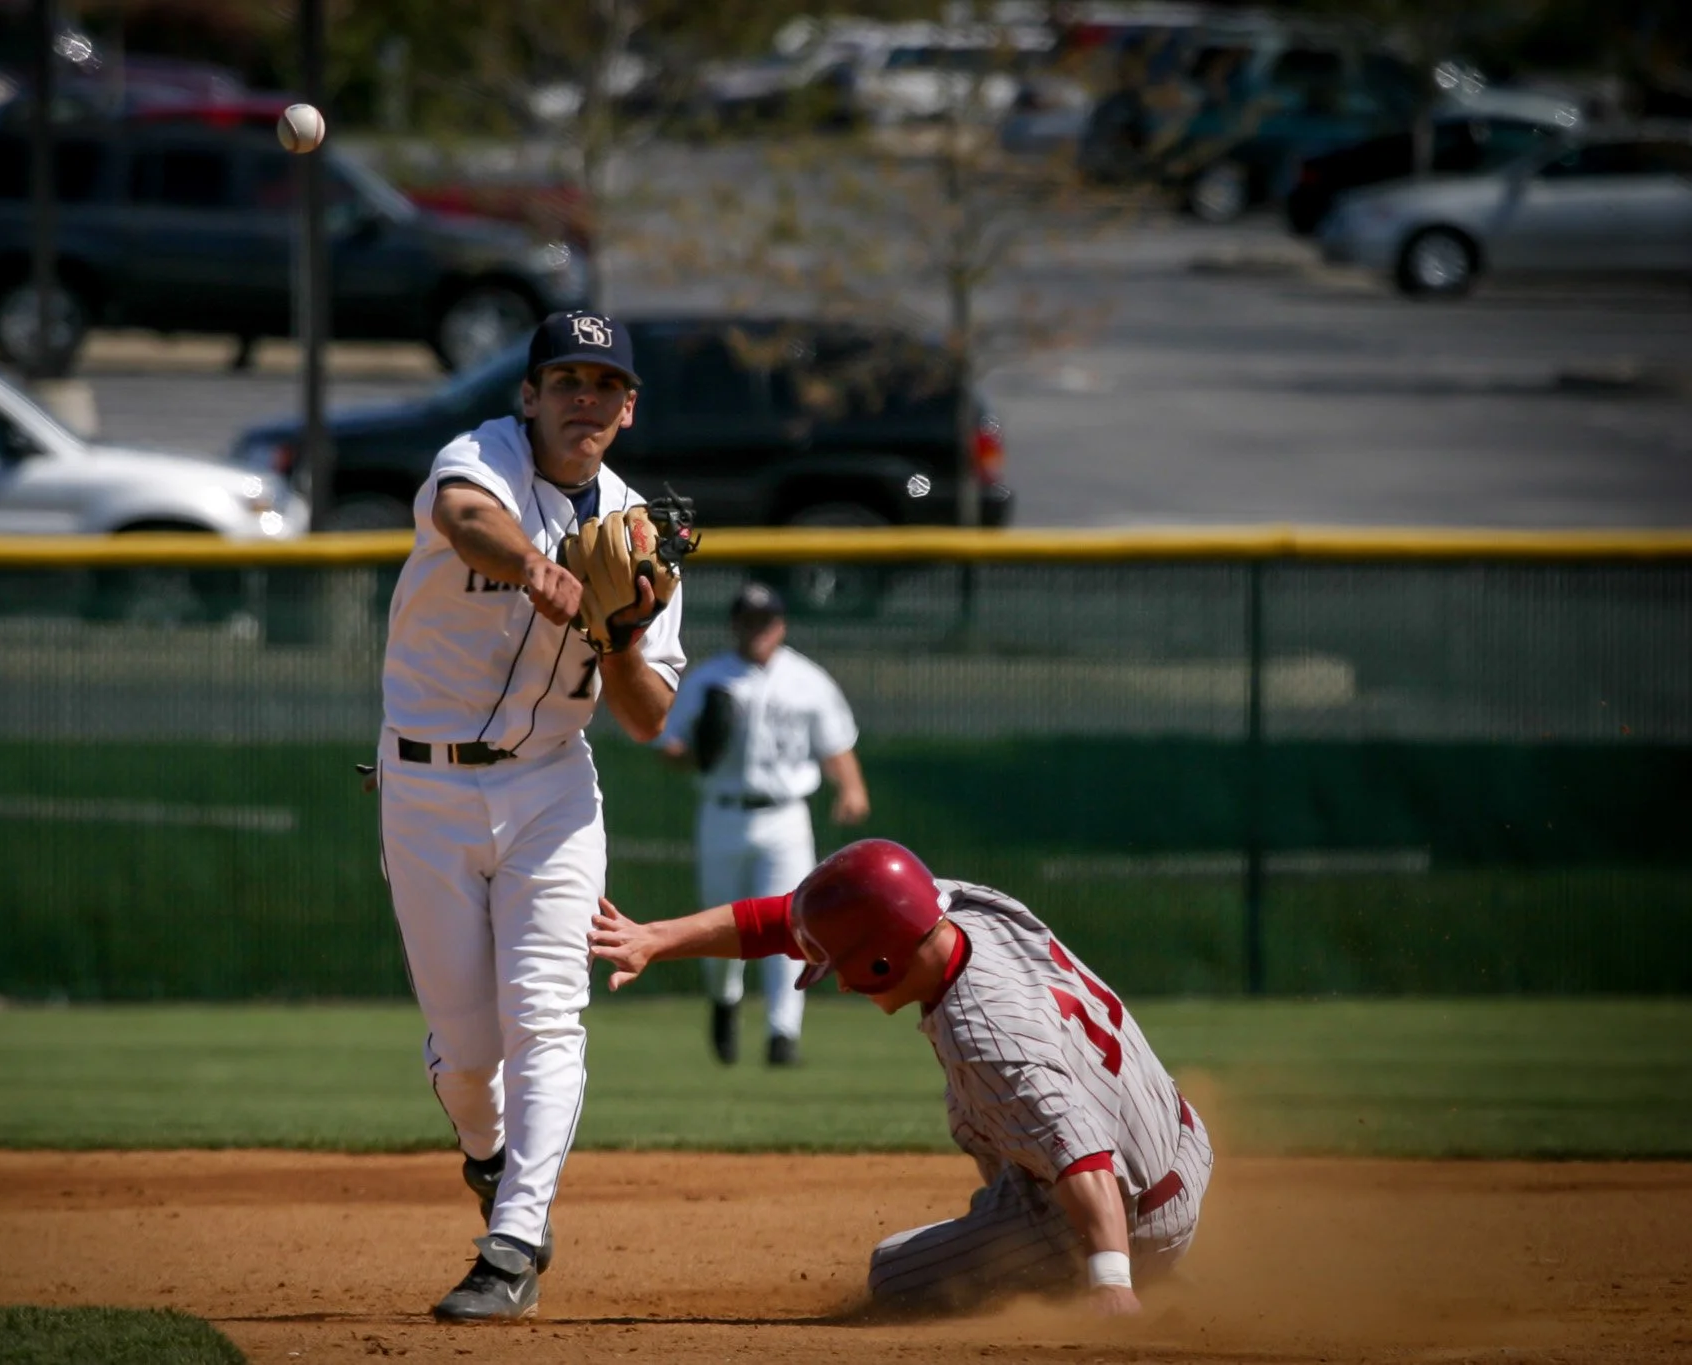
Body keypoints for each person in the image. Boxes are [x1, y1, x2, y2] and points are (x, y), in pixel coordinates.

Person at [377, 310, 684, 1323]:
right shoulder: (481, 459)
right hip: (423, 786)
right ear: (530, 396)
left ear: (627, 408)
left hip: (552, 785)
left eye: (603, 384)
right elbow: (465, 520)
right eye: (565, 380)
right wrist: (536, 567)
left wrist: (624, 635)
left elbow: (647, 720)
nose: (583, 399)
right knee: (466, 1055)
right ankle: (486, 1151)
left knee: (546, 1014)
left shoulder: (637, 537)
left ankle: (511, 1242)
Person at [589, 838, 1212, 1317]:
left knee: (894, 1276)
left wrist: (1111, 1283)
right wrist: (656, 939)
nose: (839, 981)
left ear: (883, 959)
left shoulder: (984, 1037)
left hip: (1132, 1213)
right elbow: (799, 922)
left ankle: (1107, 1270)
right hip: (1176, 1140)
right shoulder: (961, 909)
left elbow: (1084, 1159)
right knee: (992, 1114)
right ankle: (1096, 1249)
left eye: (844, 968)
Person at [656, 580, 869, 1067]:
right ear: (735, 625)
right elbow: (669, 746)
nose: (757, 630)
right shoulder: (710, 678)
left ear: (781, 625)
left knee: (794, 925)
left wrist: (852, 788)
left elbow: (835, 743)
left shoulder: (807, 680)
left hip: (785, 817)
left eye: (765, 621)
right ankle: (725, 1002)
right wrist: (696, 754)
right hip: (724, 812)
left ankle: (782, 1035)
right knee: (716, 924)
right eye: (748, 621)